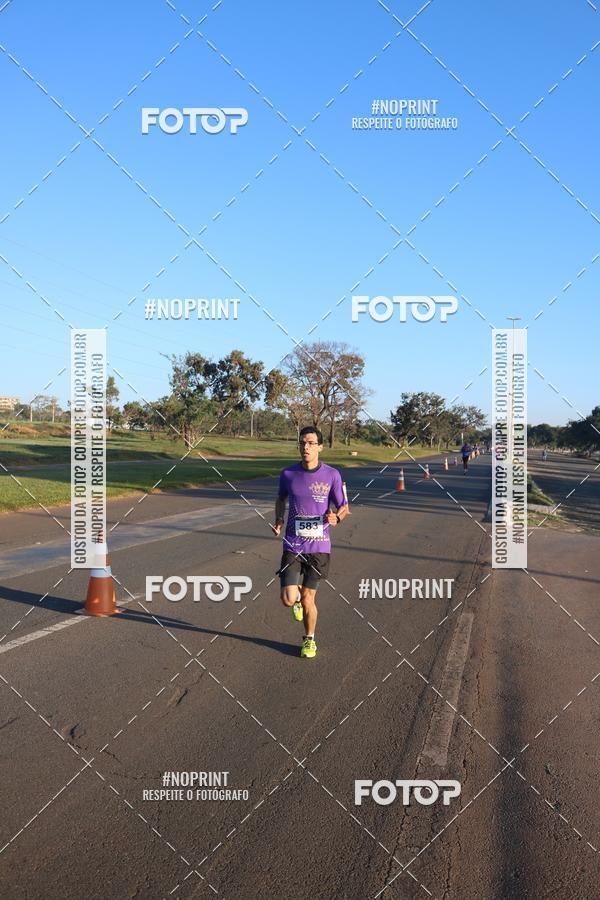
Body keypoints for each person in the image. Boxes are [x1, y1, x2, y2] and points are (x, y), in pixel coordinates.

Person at [273, 426, 349, 659]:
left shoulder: (332, 475)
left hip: (319, 546)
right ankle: (295, 602)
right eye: (302, 443)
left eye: (310, 443)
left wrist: (336, 517)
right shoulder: (288, 474)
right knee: (288, 599)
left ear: (320, 447)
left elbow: (344, 507)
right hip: (293, 544)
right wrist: (278, 519)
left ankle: (309, 640)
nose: (305, 447)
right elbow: (280, 498)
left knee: (308, 597)